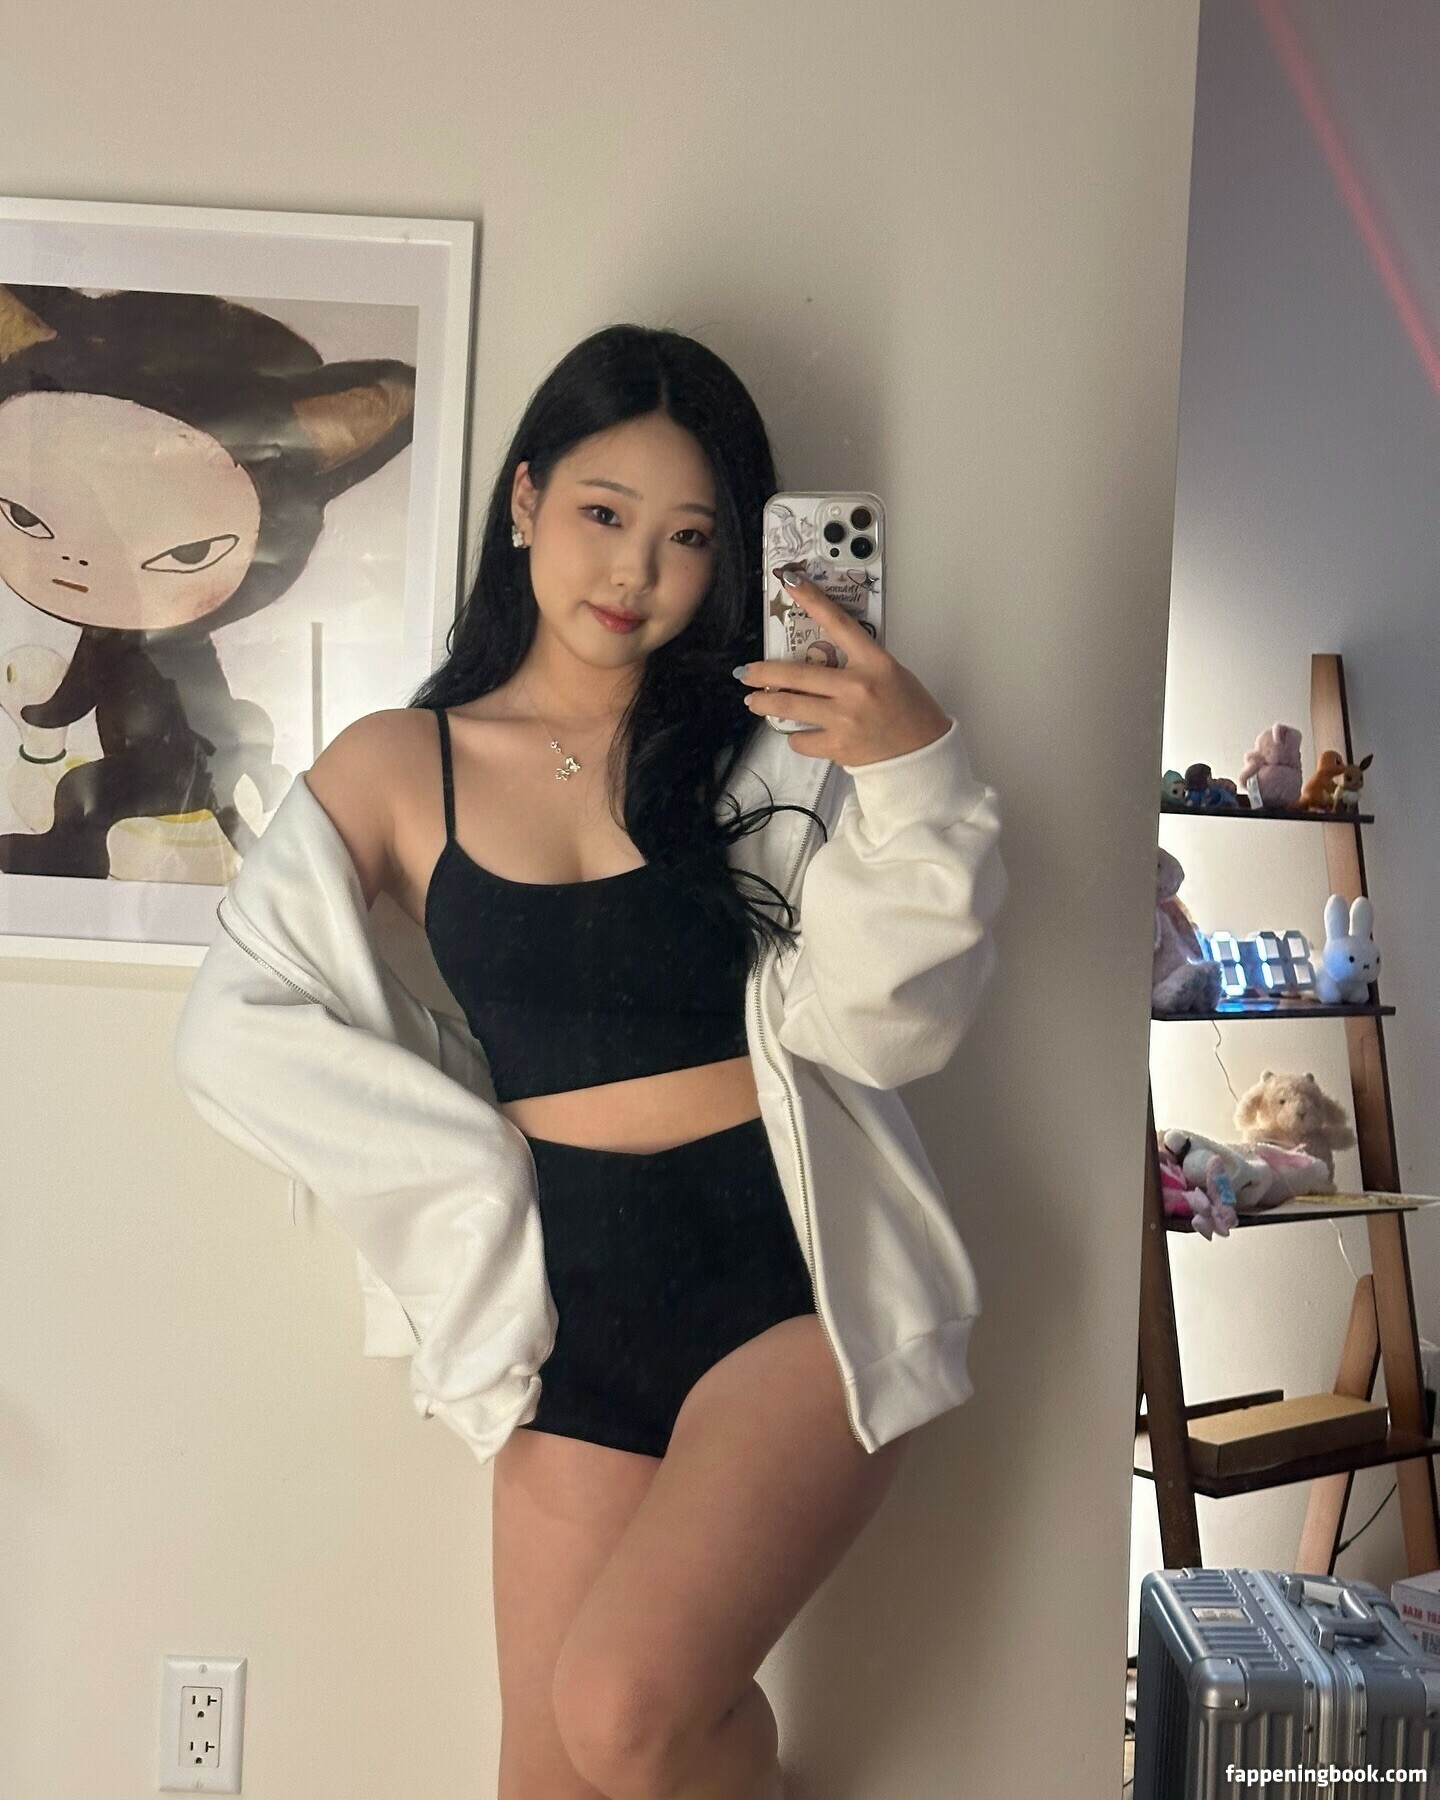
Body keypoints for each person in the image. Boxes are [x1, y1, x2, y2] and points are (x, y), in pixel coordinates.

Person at [175, 322, 1007, 1800]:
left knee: (625, 1715)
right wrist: (465, 1169)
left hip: (784, 1269)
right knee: (546, 1778)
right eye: (605, 515)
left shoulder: (770, 743)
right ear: (526, 500)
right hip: (567, 1304)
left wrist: (911, 768)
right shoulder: (397, 763)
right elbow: (233, 1025)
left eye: (688, 538)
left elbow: (894, 1027)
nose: (635, 572)